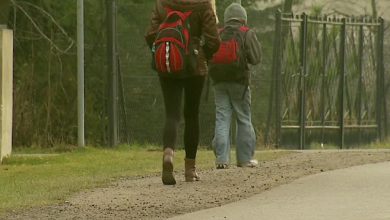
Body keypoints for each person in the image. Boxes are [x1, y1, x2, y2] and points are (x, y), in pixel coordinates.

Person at [145, 0, 220, 185]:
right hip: (195, 66)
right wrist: (203, 55)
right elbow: (214, 40)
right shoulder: (203, 4)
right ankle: (190, 169)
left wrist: (165, 53)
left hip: (168, 64)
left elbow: (151, 35)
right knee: (191, 115)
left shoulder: (162, 2)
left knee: (172, 114)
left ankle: (168, 154)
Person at [210, 3, 261, 169]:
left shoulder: (218, 33)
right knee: (243, 118)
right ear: (243, 19)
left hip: (218, 82)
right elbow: (255, 58)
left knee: (222, 117)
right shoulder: (246, 33)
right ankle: (245, 159)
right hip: (240, 83)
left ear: (226, 19)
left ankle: (222, 160)